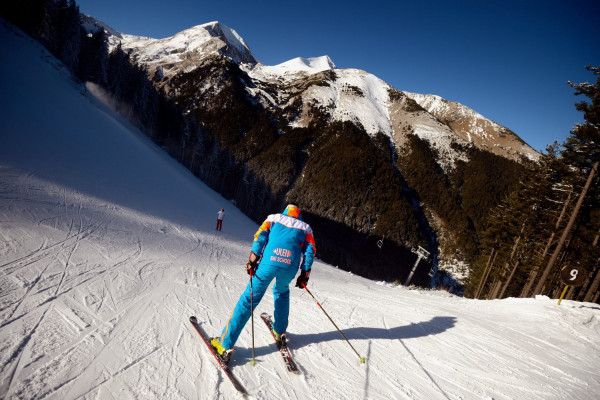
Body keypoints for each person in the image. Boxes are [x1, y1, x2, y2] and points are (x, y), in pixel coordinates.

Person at [211, 204, 316, 363]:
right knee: (282, 293)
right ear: (298, 215)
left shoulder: (273, 218)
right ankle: (280, 331)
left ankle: (225, 345)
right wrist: (304, 275)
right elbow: (310, 251)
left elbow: (259, 238)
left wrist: (252, 261)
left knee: (248, 300)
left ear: (286, 211)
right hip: (289, 267)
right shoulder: (306, 228)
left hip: (268, 264)